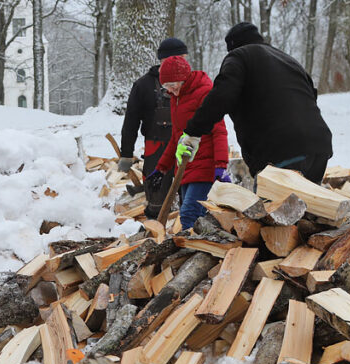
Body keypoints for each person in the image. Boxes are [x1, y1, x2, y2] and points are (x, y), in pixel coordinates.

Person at [183, 22, 332, 183]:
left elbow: (222, 95)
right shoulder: (288, 60)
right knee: (306, 199)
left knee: (272, 199)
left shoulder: (239, 57)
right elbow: (311, 95)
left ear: (232, 46)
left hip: (279, 150)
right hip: (319, 146)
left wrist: (194, 131)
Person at [145, 55, 229, 229]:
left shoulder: (204, 92)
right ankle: (198, 243)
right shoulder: (176, 98)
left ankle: (192, 244)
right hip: (185, 168)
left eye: (173, 85)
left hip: (205, 167)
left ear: (183, 79)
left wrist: (220, 164)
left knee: (189, 214)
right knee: (192, 217)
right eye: (166, 86)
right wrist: (162, 168)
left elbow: (219, 130)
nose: (171, 90)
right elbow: (177, 138)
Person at [117, 38, 190, 205]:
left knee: (189, 199)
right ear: (165, 59)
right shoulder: (143, 85)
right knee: (156, 197)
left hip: (186, 148)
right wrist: (126, 153)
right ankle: (155, 219)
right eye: (180, 58)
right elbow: (131, 122)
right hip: (156, 148)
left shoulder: (191, 83)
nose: (184, 62)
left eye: (185, 58)